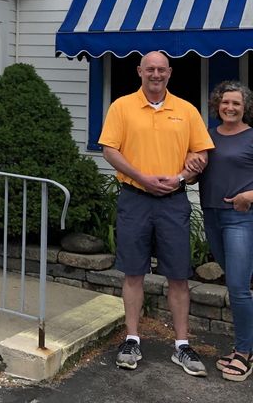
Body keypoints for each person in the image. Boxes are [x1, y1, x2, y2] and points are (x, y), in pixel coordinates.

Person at [98, 51, 214, 375]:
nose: (155, 74)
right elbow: (109, 150)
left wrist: (183, 174)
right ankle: (132, 338)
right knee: (133, 272)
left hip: (173, 200)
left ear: (170, 73)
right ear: (139, 71)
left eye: (161, 69)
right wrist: (141, 178)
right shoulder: (121, 107)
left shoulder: (187, 110)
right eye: (149, 68)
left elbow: (200, 153)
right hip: (135, 198)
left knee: (178, 275)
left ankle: (181, 345)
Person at [194, 80, 253, 382]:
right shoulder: (207, 136)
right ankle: (243, 345)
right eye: (225, 102)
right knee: (234, 283)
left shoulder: (251, 137)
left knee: (239, 288)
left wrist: (249, 195)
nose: (230, 108)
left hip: (240, 218)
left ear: (245, 108)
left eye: (236, 104)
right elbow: (196, 172)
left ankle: (244, 352)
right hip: (212, 216)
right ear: (217, 105)